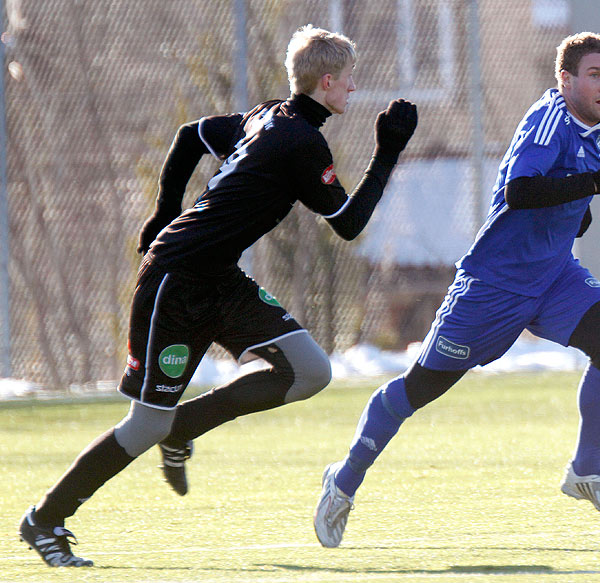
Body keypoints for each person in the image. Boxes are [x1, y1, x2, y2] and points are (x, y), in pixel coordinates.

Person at [18, 24, 417, 567]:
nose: (353, 88)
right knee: (145, 423)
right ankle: (45, 519)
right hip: (176, 283)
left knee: (309, 370)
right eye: (349, 80)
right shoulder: (299, 140)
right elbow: (348, 224)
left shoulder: (267, 116)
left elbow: (189, 136)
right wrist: (387, 151)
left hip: (218, 279)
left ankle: (184, 426)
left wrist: (164, 210)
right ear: (326, 82)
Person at [313, 31, 600, 549]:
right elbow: (520, 190)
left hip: (554, 275)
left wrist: (580, 209)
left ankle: (586, 470)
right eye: (594, 74)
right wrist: (594, 187)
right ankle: (343, 480)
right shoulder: (548, 119)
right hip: (495, 285)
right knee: (420, 389)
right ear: (565, 80)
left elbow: (573, 176)